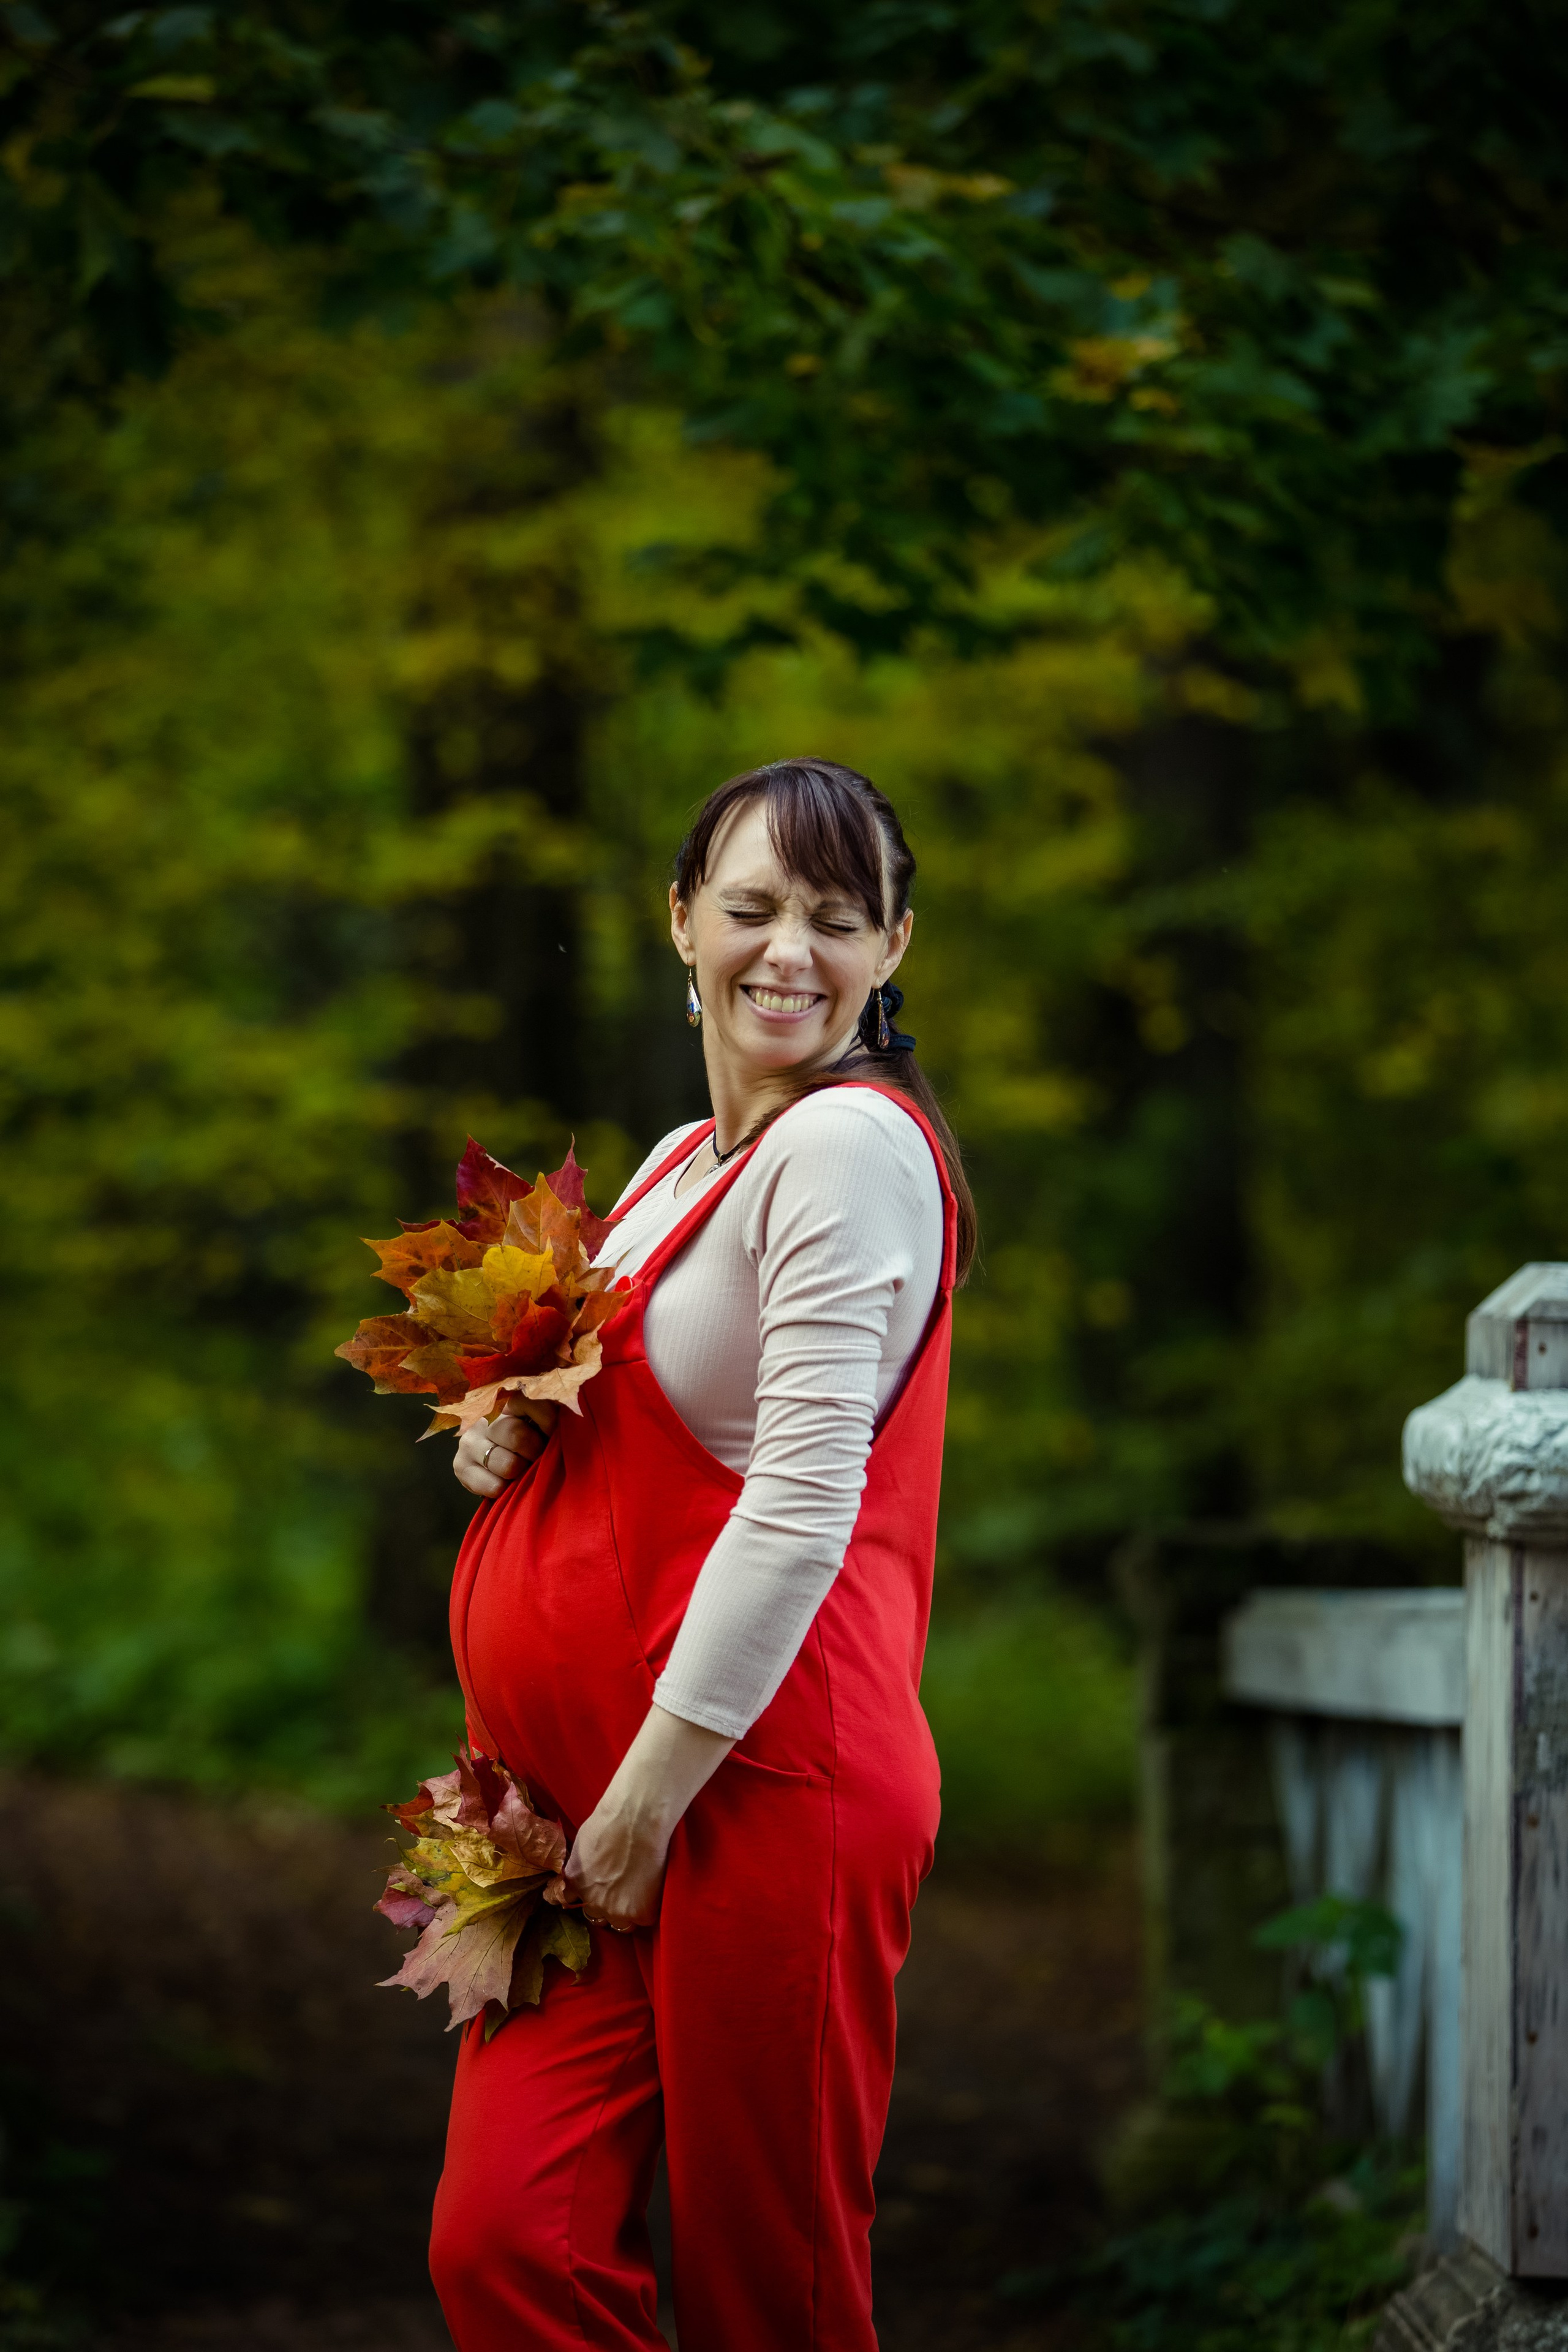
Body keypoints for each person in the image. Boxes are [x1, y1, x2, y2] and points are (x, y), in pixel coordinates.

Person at [428, 756, 976, 2352]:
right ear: (682, 923)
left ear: (894, 949)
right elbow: (590, 1421)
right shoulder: (681, 1161)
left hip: (747, 1792)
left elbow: (802, 1495)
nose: (788, 950)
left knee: (772, 2289)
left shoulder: (853, 1150)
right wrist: (501, 1432)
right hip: (577, 1816)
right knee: (510, 2241)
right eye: (750, 908)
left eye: (836, 917)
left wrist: (649, 1803)